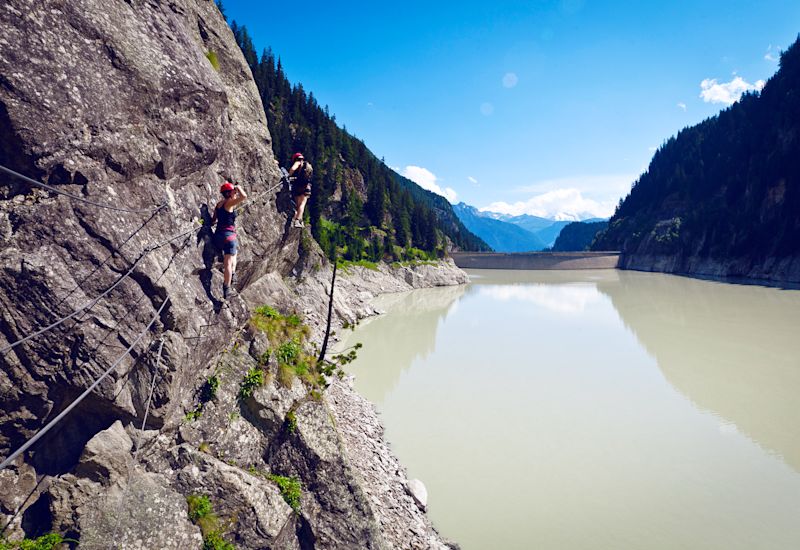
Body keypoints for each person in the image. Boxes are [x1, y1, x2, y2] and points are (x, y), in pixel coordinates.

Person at [211, 181, 247, 299]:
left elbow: (213, 220)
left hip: (218, 236)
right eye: (233, 192)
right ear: (229, 193)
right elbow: (244, 197)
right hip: (228, 236)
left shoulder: (219, 204)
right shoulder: (229, 204)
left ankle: (232, 273)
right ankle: (227, 287)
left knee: (233, 253)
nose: (235, 194)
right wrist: (238, 187)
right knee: (228, 262)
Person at [288, 152, 313, 228]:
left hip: (297, 187)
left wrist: (288, 176)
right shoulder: (306, 166)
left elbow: (292, 169)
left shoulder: (298, 163)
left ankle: (298, 219)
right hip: (306, 187)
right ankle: (298, 220)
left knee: (298, 205)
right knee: (302, 205)